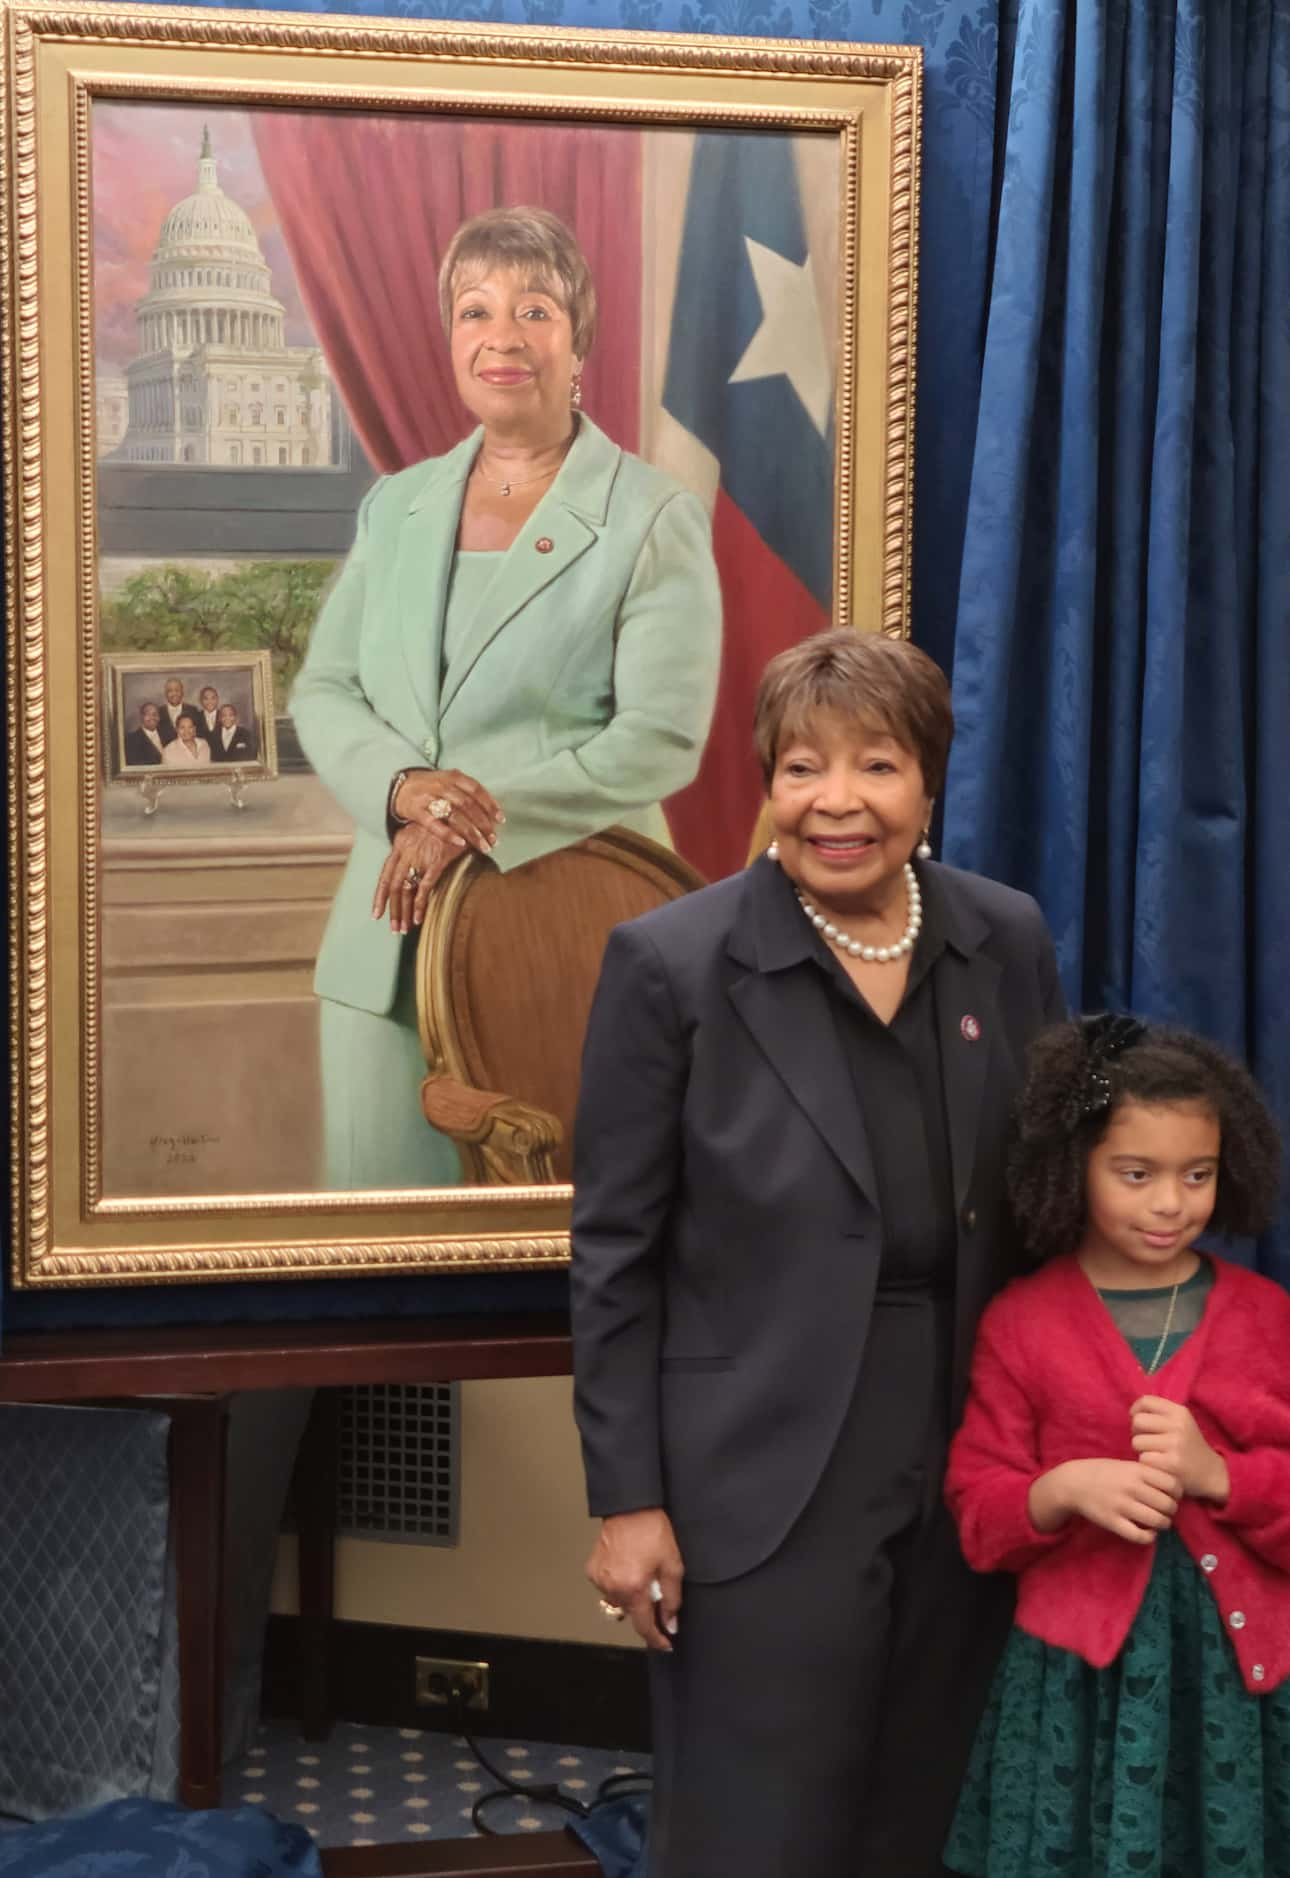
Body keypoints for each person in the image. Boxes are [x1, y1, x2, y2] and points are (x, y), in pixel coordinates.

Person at [571, 629, 1065, 1878]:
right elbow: (613, 1252)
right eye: (802, 768)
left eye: (878, 767)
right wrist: (627, 1502)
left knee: (918, 1803)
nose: (837, 802)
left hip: (965, 1446)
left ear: (928, 786)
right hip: (758, 1470)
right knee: (757, 1824)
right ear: (769, 787)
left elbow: (1045, 1196)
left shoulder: (1004, 941)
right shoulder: (671, 966)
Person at [290, 205, 721, 1191]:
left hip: (559, 928)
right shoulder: (395, 505)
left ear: (579, 341)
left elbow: (658, 741)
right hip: (382, 948)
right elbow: (325, 689)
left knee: (555, 1257)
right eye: (475, 311)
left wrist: (468, 816)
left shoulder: (652, 516)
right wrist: (406, 791)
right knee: (375, 1250)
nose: (502, 337)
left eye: (535, 309)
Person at [944, 1015, 1290, 1877]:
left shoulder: (1264, 1318)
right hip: (1078, 1684)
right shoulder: (1021, 1324)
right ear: (1074, 1167)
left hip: (1238, 1686)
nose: (1172, 1203)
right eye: (1136, 1174)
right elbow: (979, 1512)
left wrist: (1223, 1477)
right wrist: (1059, 1490)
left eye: (1197, 1175)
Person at [158, 676, 198, 744]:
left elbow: (197, 735)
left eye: (177, 690)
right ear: (165, 693)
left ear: (182, 692)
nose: (174, 694)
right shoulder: (158, 712)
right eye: (170, 691)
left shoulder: (193, 710)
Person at [124, 701, 165, 766]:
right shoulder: (131, 739)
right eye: (148, 714)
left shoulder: (167, 735)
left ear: (159, 717)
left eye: (155, 714)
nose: (152, 718)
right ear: (141, 717)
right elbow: (134, 766)